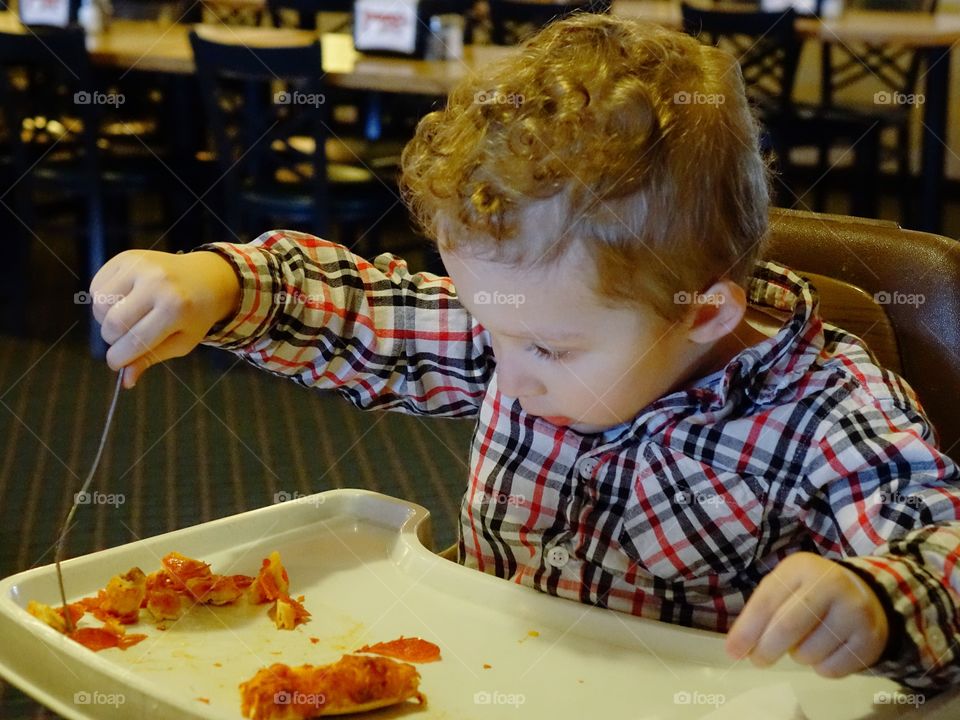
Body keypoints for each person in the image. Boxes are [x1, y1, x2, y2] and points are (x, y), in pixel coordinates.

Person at [90, 14, 960, 689]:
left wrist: (879, 600)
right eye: (492, 323)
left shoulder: (825, 407)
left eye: (546, 344)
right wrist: (223, 285)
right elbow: (370, 316)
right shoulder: (519, 330)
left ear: (701, 314)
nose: (505, 370)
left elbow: (940, 541)